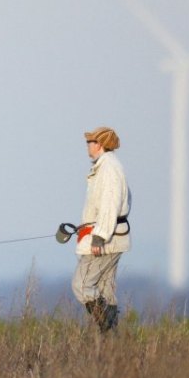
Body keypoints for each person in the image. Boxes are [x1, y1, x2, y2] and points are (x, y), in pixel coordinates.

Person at [71, 126, 130, 332]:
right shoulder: (106, 166)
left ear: (101, 145)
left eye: (92, 142)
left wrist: (100, 236)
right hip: (110, 236)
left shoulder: (109, 168)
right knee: (106, 288)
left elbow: (110, 204)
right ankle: (111, 337)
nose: (88, 145)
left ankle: (106, 327)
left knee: (82, 284)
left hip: (105, 239)